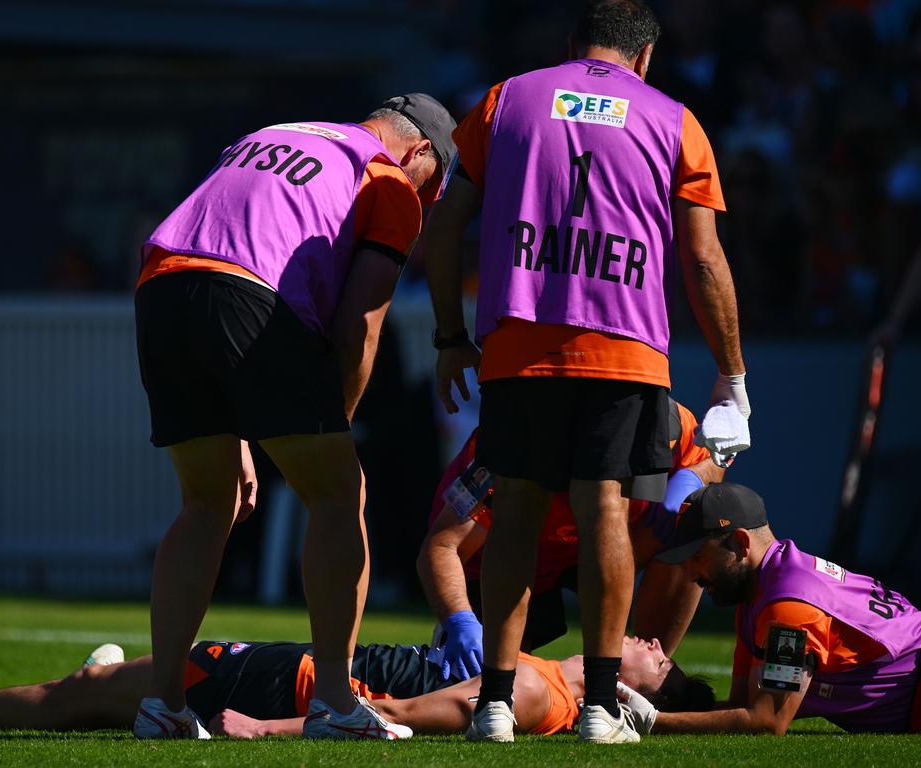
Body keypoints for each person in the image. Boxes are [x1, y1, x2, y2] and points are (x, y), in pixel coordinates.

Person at [422, 0, 748, 743]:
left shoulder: (506, 98)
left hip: (518, 343)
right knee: (605, 507)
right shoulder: (674, 119)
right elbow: (701, 258)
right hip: (625, 347)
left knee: (517, 511)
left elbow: (445, 228)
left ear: (573, 46)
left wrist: (448, 335)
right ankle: (601, 707)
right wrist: (731, 374)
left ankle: (496, 705)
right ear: (645, 57)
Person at [134, 94, 456, 740]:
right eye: (433, 191)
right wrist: (335, 428)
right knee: (341, 493)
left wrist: (245, 421)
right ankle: (335, 703)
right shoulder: (388, 178)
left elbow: (218, 239)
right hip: (249, 294)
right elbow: (360, 324)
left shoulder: (277, 130)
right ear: (420, 153)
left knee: (207, 502)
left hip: (160, 286)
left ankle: (162, 703)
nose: (424, 208)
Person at [418, 397, 724, 678]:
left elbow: (715, 457)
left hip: (597, 549)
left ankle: (639, 679)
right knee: (486, 682)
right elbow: (441, 546)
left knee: (690, 527)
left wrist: (692, 478)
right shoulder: (510, 449)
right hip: (504, 562)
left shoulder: (675, 425)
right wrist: (461, 621)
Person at [0, 635, 712, 738]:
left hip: (287, 683)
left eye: (660, 662)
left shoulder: (546, 697)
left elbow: (393, 715)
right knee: (95, 698)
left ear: (641, 696)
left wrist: (268, 731)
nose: (649, 642)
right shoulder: (542, 673)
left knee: (83, 692)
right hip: (299, 671)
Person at [619, 483, 921, 736]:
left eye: (698, 556)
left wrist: (653, 721)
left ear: (741, 544)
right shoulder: (758, 593)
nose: (691, 574)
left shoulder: (788, 607)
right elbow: (742, 705)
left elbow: (766, 721)